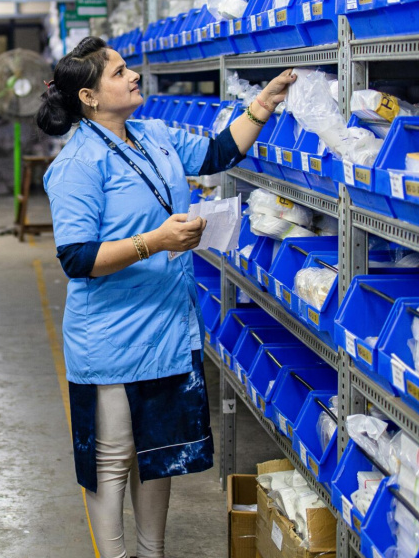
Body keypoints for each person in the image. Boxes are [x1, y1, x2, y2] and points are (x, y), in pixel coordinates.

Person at [38, 35, 296, 558]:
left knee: (159, 454)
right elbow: (78, 259)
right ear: (88, 98)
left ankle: (151, 552)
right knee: (112, 459)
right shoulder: (78, 165)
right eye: (118, 72)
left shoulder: (153, 134)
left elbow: (220, 151)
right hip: (110, 335)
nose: (133, 76)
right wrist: (156, 240)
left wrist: (262, 105)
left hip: (167, 326)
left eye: (127, 68)